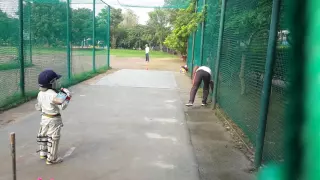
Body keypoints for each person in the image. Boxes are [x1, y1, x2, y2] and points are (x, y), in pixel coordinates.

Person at [35, 69, 72, 165]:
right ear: (51, 83)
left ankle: (43, 153)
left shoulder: (40, 93)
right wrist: (67, 96)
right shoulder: (53, 94)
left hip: (44, 117)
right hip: (54, 119)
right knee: (53, 137)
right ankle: (52, 159)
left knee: (43, 134)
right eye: (55, 81)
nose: (57, 82)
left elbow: (38, 107)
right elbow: (62, 106)